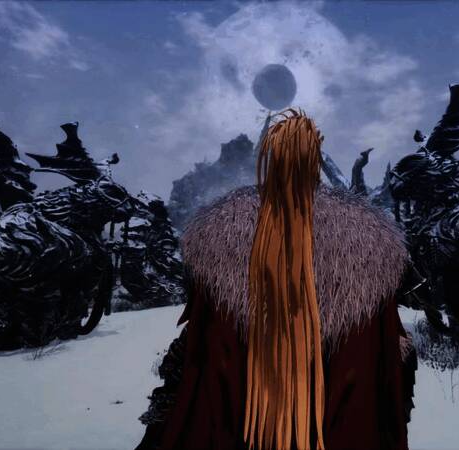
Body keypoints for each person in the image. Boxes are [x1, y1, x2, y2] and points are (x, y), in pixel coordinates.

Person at [137, 109, 416, 450]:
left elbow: (202, 338)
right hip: (337, 412)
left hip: (241, 413)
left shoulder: (217, 228)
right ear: (316, 157)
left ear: (269, 156)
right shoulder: (373, 236)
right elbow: (386, 349)